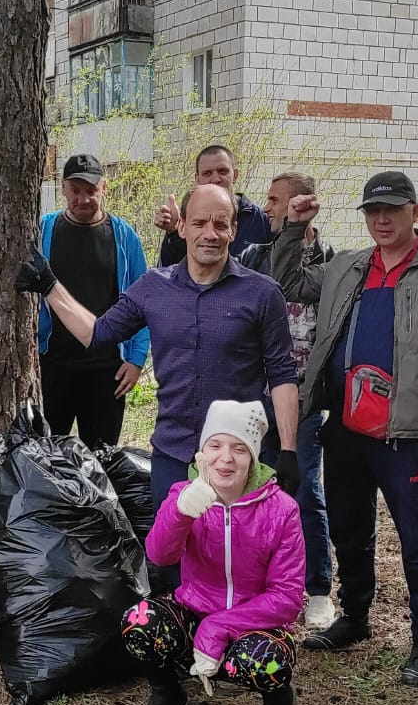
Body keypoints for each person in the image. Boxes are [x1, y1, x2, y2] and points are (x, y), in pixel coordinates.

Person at [270, 171, 418, 687]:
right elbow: (290, 284)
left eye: (392, 209)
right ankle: (356, 616)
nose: (381, 219)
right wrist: (294, 230)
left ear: (416, 211)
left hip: (406, 434)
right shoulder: (349, 267)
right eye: (372, 211)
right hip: (344, 424)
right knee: (348, 527)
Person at [18, 183, 302, 509]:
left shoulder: (262, 294)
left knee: (234, 558)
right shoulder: (154, 289)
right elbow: (97, 333)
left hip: (238, 459)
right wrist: (48, 284)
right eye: (199, 223)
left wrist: (289, 451)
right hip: (173, 457)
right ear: (182, 226)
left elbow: (281, 375)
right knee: (170, 557)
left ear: (233, 230)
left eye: (220, 224)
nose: (210, 233)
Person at [121, 400, 304, 705]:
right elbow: (159, 554)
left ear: (253, 458)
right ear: (202, 452)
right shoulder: (183, 495)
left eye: (239, 448)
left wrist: (218, 626)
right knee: (139, 621)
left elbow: (288, 597)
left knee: (264, 661)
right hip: (194, 610)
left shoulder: (282, 509)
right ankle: (167, 695)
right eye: (215, 445)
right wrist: (181, 512)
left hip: (255, 624)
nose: (225, 458)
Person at [237, 171, 337, 629]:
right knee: (254, 490)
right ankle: (260, 583)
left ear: (302, 204)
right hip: (255, 402)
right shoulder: (257, 256)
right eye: (269, 200)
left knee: (304, 493)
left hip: (305, 401)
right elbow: (274, 283)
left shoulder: (333, 261)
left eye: (276, 201)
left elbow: (302, 288)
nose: (269, 208)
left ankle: (317, 589)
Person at [35, 154, 150, 448]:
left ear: (104, 188)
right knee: (47, 458)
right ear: (63, 189)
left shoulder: (124, 237)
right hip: (53, 368)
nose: (83, 199)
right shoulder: (44, 231)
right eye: (76, 191)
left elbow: (143, 303)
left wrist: (136, 360)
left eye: (91, 191)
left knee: (102, 461)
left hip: (106, 372)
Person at [153, 145, 272, 266]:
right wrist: (173, 231)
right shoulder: (187, 220)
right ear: (197, 179)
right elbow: (171, 274)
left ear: (235, 175)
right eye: (207, 173)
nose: (215, 179)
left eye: (222, 171)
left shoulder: (260, 220)